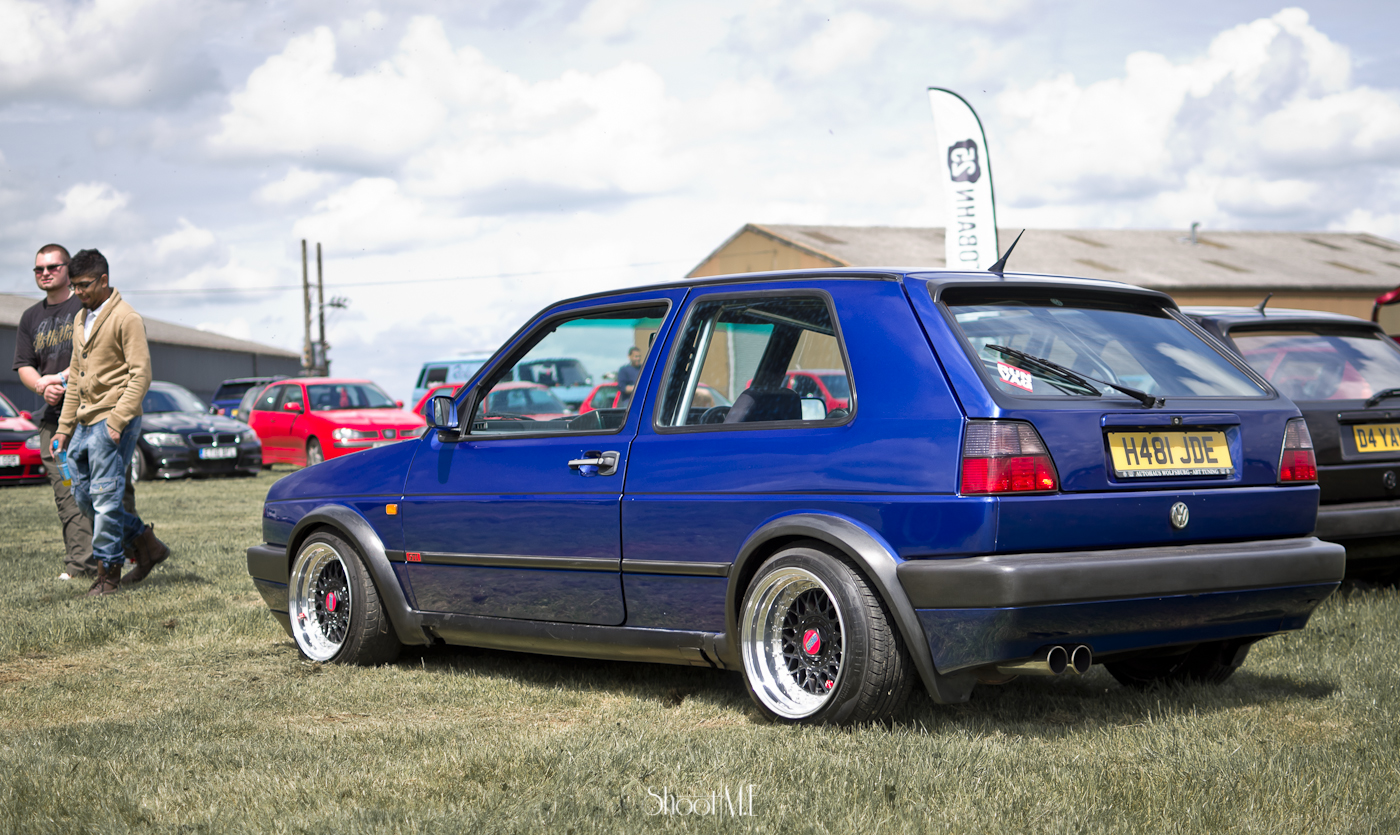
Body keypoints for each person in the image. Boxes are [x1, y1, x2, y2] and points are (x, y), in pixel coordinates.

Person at [52, 249, 169, 596]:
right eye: (73, 286)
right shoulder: (80, 318)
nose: (78, 293)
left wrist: (117, 421)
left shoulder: (126, 317)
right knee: (84, 497)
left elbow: (141, 374)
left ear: (104, 280)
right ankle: (147, 544)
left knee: (104, 500)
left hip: (114, 420)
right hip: (84, 423)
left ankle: (108, 575)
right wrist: (63, 427)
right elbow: (75, 377)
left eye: (84, 285)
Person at [11, 244, 130, 580]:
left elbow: (100, 359)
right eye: (38, 269)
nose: (45, 273)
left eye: (52, 266)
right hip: (54, 422)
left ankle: (132, 555)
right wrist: (41, 387)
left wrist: (61, 378)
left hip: (96, 414)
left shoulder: (87, 304)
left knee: (111, 490)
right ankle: (81, 565)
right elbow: (23, 365)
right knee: (69, 494)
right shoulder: (30, 317)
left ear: (68, 270)